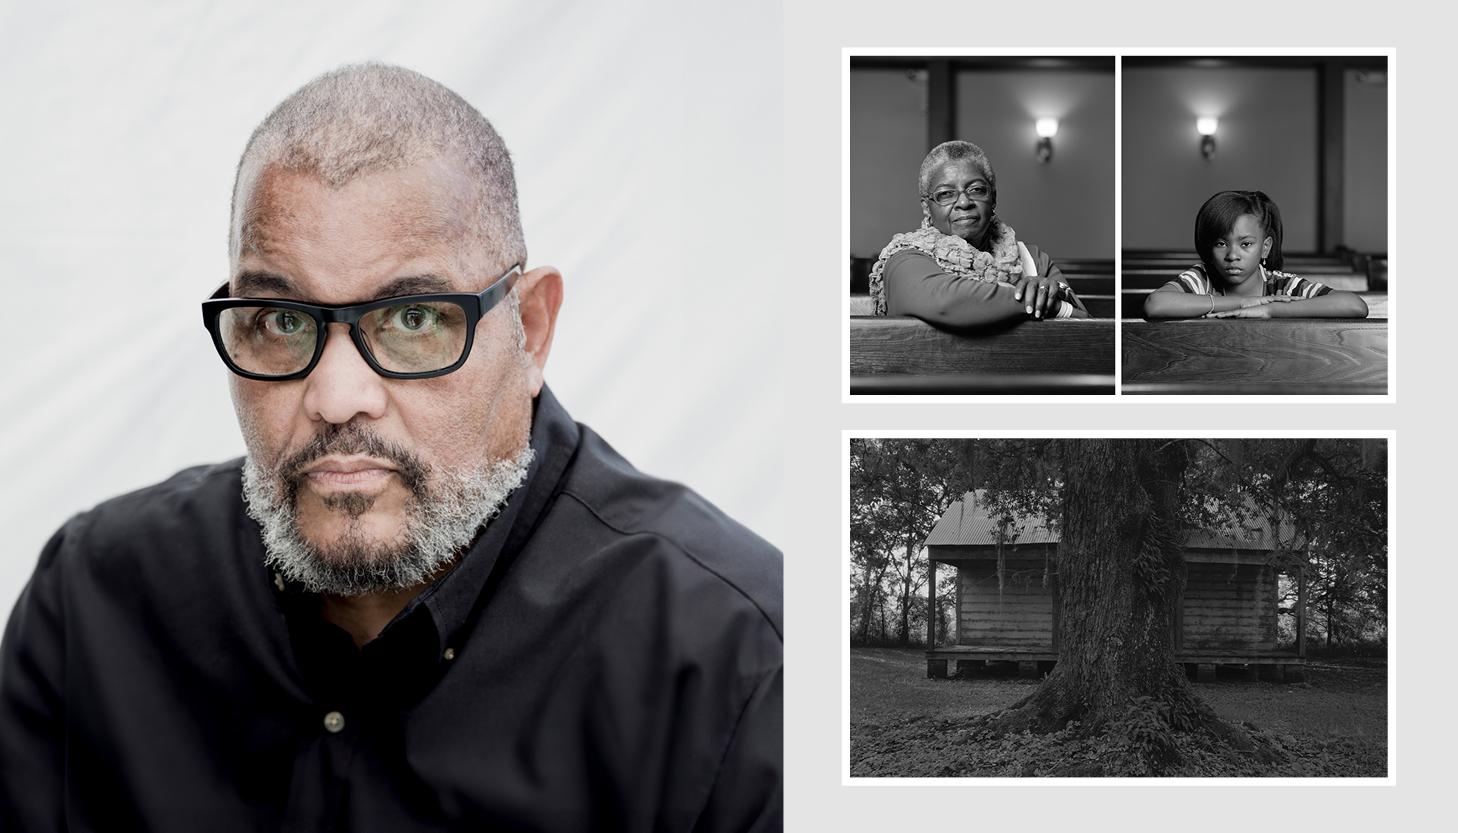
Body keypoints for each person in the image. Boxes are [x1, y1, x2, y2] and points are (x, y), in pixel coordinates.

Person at [0, 63, 782, 832]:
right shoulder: (93, 603)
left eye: (414, 318)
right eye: (280, 320)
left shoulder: (738, 665)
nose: (338, 397)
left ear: (531, 331)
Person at [867, 140, 1090, 326]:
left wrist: (1054, 296)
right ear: (927, 207)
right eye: (946, 193)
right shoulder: (905, 257)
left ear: (993, 198)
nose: (964, 202)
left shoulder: (1031, 258)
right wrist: (1051, 306)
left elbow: (1085, 324)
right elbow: (944, 303)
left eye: (976, 190)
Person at [1143, 190, 1369, 319]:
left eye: (1246, 244)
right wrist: (1241, 303)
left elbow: (1354, 305)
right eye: (1221, 243)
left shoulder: (1282, 287)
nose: (1232, 255)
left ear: (1266, 247)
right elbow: (1156, 304)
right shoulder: (1202, 279)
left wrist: (1270, 309)